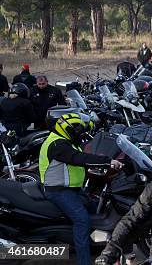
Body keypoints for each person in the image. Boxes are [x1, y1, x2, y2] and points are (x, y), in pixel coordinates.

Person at [40, 113, 123, 265]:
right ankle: (84, 261)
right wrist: (107, 161)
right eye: (75, 131)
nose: (79, 134)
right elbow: (78, 158)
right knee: (82, 220)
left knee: (96, 209)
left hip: (73, 189)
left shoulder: (66, 140)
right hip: (58, 191)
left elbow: (87, 147)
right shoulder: (57, 145)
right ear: (67, 129)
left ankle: (98, 249)